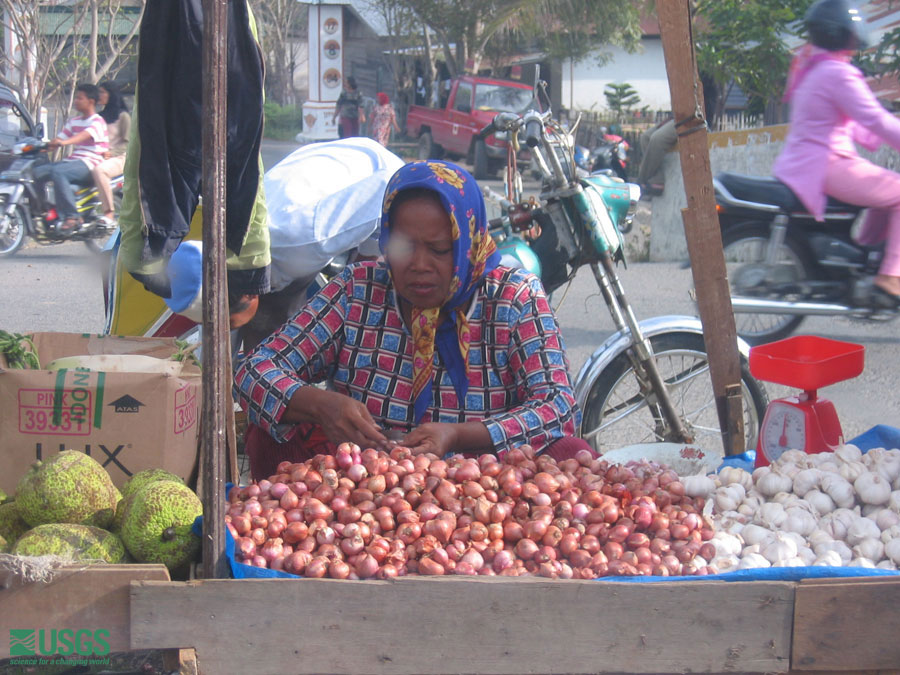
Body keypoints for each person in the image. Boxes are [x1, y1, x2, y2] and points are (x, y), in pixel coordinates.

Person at [234, 160, 593, 480]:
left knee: (571, 453)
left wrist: (459, 434)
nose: (418, 265)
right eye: (404, 246)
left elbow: (557, 406)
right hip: (363, 478)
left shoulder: (514, 297)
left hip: (485, 481)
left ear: (470, 243)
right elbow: (253, 370)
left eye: (438, 249)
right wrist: (322, 405)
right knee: (269, 434)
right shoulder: (358, 289)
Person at [774, 0, 900, 304]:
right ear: (841, 34)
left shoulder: (811, 68)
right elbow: (875, 118)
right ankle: (890, 276)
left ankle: (864, 259)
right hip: (827, 163)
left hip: (807, 162)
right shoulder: (837, 72)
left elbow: (848, 122)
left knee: (887, 192)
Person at [33, 83, 108, 233]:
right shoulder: (74, 121)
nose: (76, 101)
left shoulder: (97, 121)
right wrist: (43, 146)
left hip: (90, 164)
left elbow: (82, 136)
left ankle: (72, 216)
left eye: (80, 98)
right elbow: (59, 138)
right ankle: (45, 211)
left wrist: (63, 142)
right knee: (35, 173)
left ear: (91, 101)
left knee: (59, 172)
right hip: (74, 162)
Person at [91, 81, 130, 227]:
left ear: (111, 94)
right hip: (98, 157)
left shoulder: (123, 116)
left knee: (99, 171)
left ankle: (108, 212)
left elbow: (128, 143)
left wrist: (111, 153)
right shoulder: (98, 116)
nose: (99, 95)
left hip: (119, 158)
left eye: (102, 92)